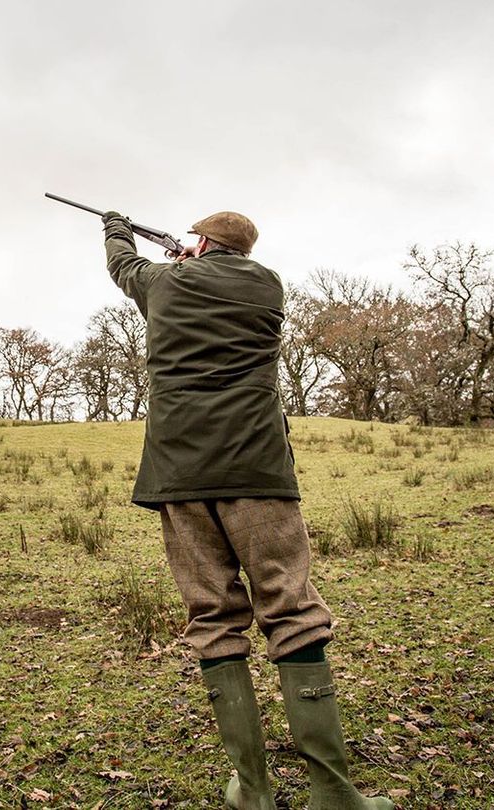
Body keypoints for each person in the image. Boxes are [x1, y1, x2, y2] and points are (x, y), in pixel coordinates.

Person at [100, 209, 393, 810]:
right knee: (291, 607)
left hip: (179, 474)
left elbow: (124, 267)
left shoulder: (162, 283)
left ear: (202, 242)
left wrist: (116, 228)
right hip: (257, 467)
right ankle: (333, 794)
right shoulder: (266, 284)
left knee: (212, 615)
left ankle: (253, 793)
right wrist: (190, 259)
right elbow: (208, 283)